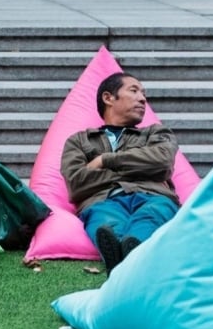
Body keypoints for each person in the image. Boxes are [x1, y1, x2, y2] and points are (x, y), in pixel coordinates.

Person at [61, 71, 180, 272]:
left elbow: (163, 161)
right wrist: (139, 167)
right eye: (134, 91)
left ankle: (126, 256)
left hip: (153, 196)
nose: (143, 99)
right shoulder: (80, 140)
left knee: (151, 215)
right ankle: (127, 255)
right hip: (103, 200)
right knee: (105, 222)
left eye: (143, 94)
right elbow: (76, 183)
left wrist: (105, 160)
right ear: (108, 98)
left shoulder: (156, 132)